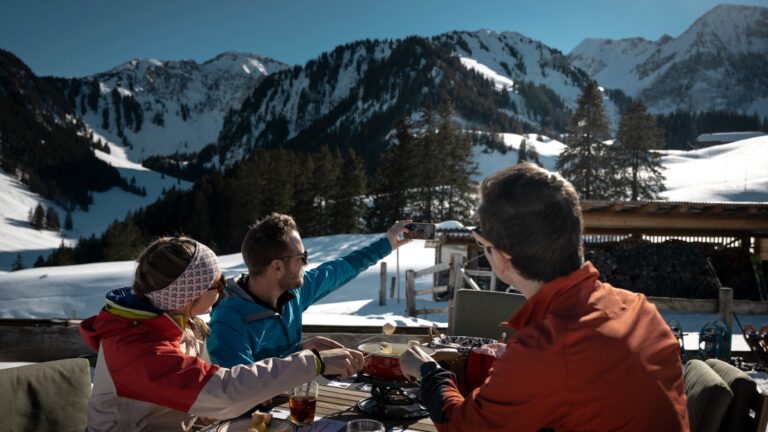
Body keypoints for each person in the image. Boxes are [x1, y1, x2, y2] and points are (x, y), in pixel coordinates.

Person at [400, 163, 689, 432]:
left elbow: (465, 427)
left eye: (482, 245)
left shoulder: (546, 346)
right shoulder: (639, 308)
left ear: (498, 257)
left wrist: (429, 372)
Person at [80, 236, 363, 431]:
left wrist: (296, 353)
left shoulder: (170, 321)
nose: (224, 289)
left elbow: (210, 389)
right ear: (190, 294)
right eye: (218, 282)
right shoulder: (138, 349)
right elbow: (222, 391)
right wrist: (313, 362)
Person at [207, 214, 411, 367]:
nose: (306, 263)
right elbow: (240, 388)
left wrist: (386, 244)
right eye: (302, 258)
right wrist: (307, 359)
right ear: (277, 267)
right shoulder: (229, 321)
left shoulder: (292, 293)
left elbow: (339, 269)